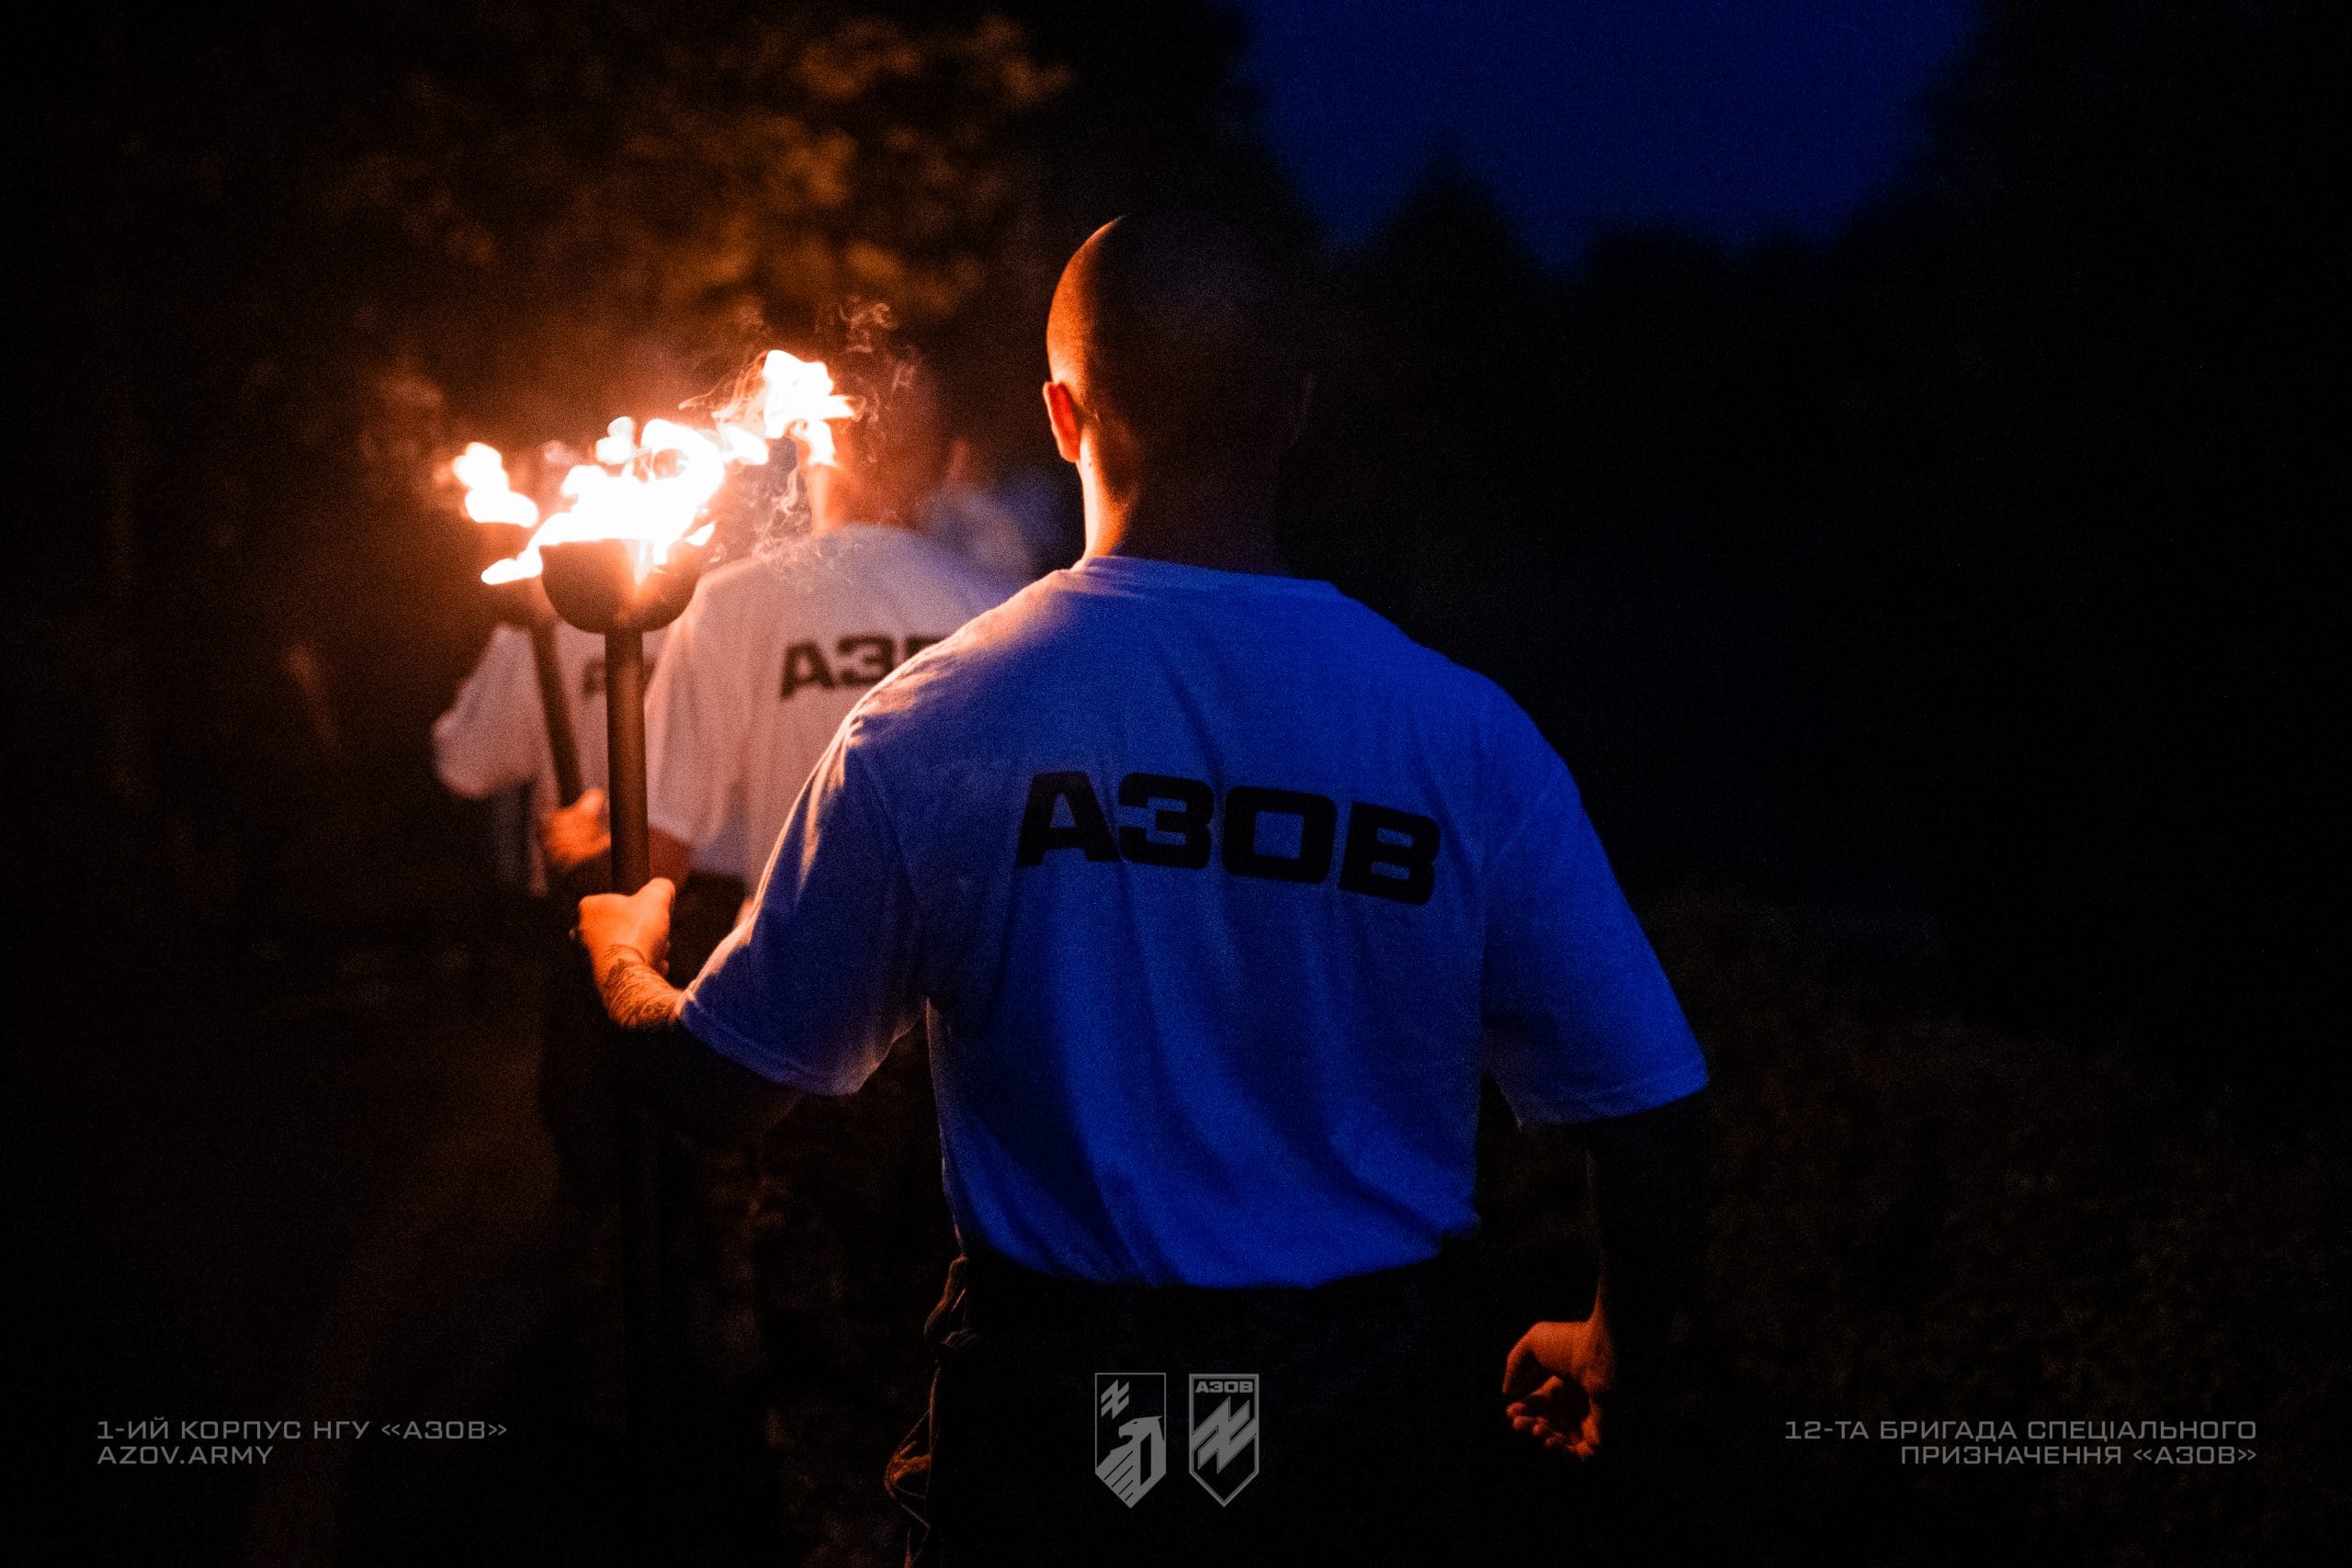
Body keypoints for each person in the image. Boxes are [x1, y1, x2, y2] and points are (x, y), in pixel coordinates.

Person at [574, 213, 1710, 1564]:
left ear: (1061, 415)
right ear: (1291, 409)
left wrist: (622, 955)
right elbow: (1647, 1106)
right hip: (1361, 1413)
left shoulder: (933, 725)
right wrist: (1616, 1340)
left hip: (1061, 1413)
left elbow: (722, 1084)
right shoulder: (1460, 737)